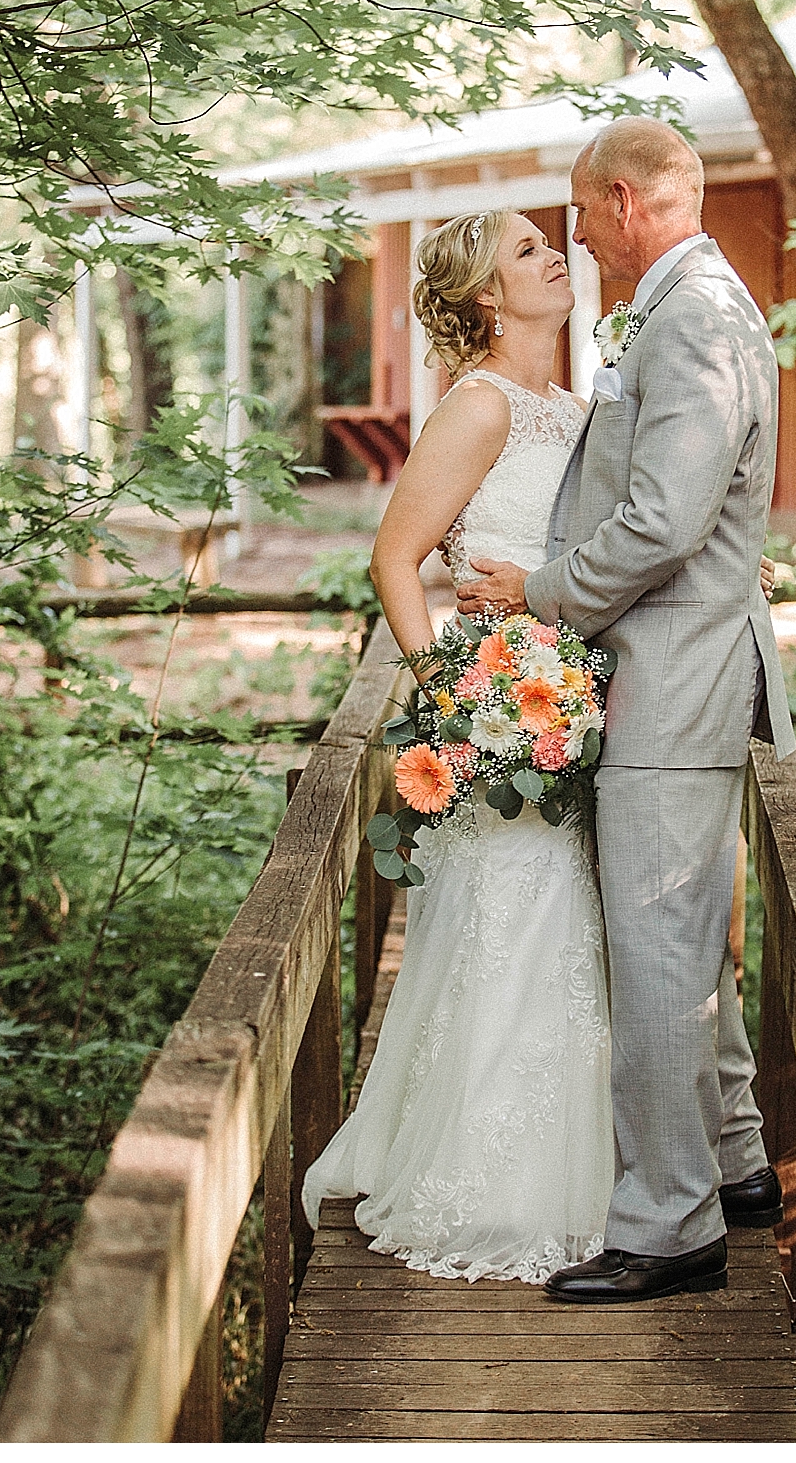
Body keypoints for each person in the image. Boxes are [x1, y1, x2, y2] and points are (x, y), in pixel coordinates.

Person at [457, 114, 796, 1304]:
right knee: (683, 939)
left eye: (582, 209)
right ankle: (741, 1160)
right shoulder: (693, 302)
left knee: (658, 955)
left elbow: (662, 520)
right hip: (680, 666)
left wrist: (540, 596)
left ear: (626, 198)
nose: (576, 231)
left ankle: (668, 1224)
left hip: (673, 678)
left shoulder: (695, 313)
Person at [298, 208, 616, 1282]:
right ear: (487, 295)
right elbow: (398, 558)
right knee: (512, 924)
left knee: (567, 935)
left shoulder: (572, 406)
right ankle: (489, 1181)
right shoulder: (479, 407)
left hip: (574, 704)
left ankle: (581, 1169)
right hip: (501, 716)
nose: (554, 257)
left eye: (549, 243)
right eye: (528, 250)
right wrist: (455, 697)